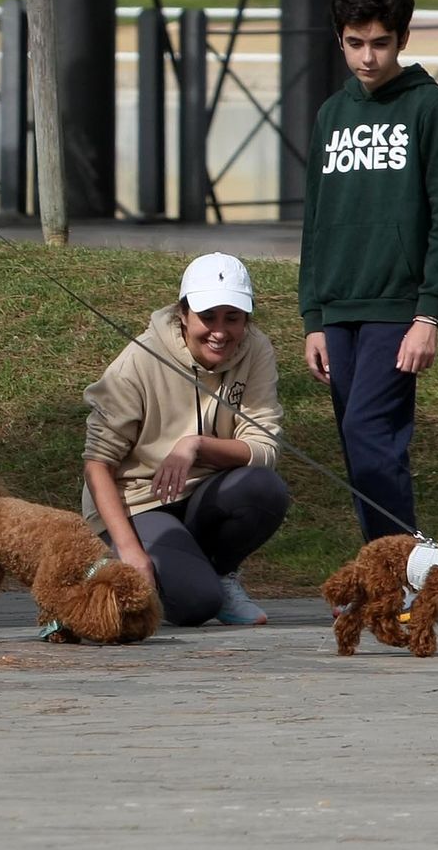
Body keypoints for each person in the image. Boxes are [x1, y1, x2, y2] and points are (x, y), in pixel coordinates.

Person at [299, 0, 438, 543]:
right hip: (338, 310)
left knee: (373, 439)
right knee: (358, 447)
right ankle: (393, 571)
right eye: (354, 43)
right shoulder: (331, 114)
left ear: (403, 37)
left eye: (379, 43)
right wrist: (313, 317)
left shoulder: (433, 110)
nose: (367, 57)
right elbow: (315, 223)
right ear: (339, 38)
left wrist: (429, 315)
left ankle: (402, 570)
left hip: (398, 310)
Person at [81, 253, 290, 627]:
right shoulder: (138, 361)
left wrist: (196, 444)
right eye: (207, 317)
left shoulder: (256, 350)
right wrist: (132, 552)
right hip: (139, 503)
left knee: (264, 489)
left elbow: (264, 449)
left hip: (202, 495)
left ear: (247, 318)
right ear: (183, 314)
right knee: (196, 605)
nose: (220, 332)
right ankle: (128, 563)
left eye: (233, 318)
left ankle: (219, 573)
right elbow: (97, 463)